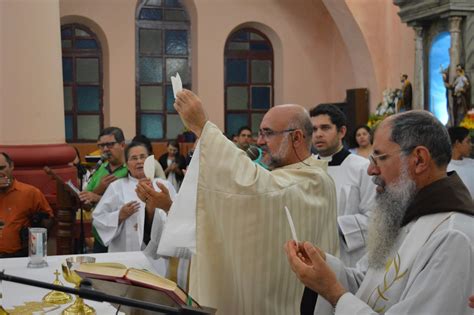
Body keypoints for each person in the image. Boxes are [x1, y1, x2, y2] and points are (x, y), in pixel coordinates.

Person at [163, 89, 338, 314]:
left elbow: (257, 187)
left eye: (268, 133)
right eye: (259, 133)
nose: (260, 141)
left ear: (296, 137)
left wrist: (203, 127)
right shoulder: (293, 175)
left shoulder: (313, 179)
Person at [285, 110, 474, 315]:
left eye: (379, 159)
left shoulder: (452, 237)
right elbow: (368, 286)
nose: (371, 171)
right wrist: (324, 266)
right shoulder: (407, 214)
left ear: (419, 160)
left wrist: (334, 294)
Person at [310, 104, 376, 267]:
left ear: (342, 132)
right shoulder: (305, 168)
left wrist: (334, 225)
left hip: (348, 258)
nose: (318, 134)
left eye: (325, 128)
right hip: (310, 256)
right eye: (314, 129)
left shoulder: (362, 167)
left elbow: (375, 217)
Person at [93, 142, 176, 253]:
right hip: (123, 252)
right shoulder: (116, 187)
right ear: (127, 164)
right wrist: (119, 215)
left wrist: (147, 222)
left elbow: (176, 216)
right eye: (134, 158)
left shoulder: (163, 185)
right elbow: (99, 219)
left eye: (143, 157)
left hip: (156, 256)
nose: (139, 161)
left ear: (151, 161)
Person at [79, 127, 128, 253]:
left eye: (110, 144)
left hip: (123, 234)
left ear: (122, 145)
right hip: (100, 233)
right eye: (101, 146)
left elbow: (130, 202)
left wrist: (97, 197)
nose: (105, 149)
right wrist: (98, 190)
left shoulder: (131, 169)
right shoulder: (100, 168)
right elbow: (87, 202)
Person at [0, 152, 54, 257]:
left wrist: (38, 222)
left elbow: (50, 221)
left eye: (2, 168)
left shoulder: (30, 193)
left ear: (11, 167)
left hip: (17, 256)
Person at [447, 126, 474, 199]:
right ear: (457, 143)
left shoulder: (472, 163)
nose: (471, 145)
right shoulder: (445, 168)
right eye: (468, 141)